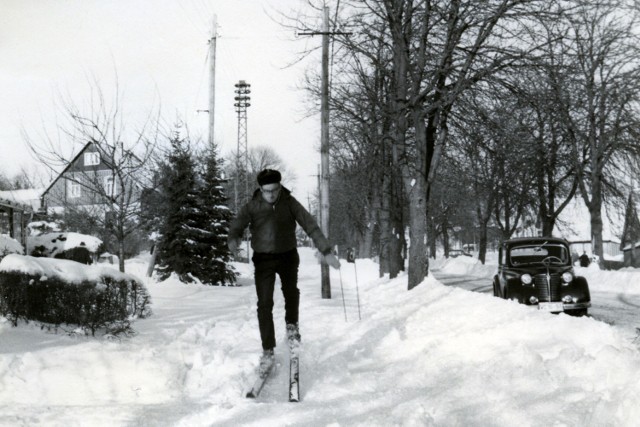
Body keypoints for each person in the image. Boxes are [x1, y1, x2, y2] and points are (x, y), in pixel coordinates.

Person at [227, 169, 340, 369]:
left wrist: (326, 250)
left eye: (275, 190)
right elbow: (237, 225)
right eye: (267, 191)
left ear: (280, 187)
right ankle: (268, 349)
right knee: (264, 303)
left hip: (288, 255)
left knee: (291, 292)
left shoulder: (289, 202)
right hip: (263, 259)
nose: (271, 195)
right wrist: (233, 238)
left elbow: (310, 225)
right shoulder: (252, 206)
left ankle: (292, 327)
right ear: (260, 189)